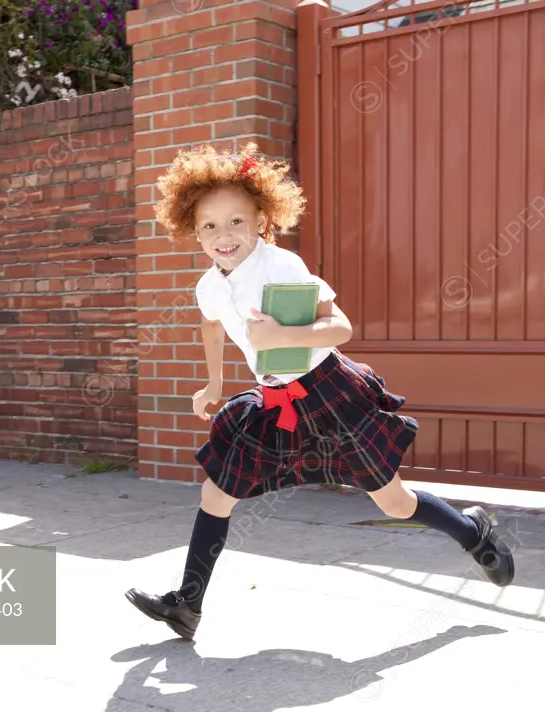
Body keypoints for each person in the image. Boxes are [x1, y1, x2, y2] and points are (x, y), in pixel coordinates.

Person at [125, 143, 515, 641]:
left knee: (393, 502)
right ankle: (187, 605)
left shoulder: (281, 267)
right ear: (192, 228)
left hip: (329, 393)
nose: (224, 236)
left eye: (236, 222)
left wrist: (283, 336)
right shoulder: (209, 284)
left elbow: (340, 327)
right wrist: (215, 384)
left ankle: (472, 532)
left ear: (261, 219)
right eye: (209, 226)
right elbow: (211, 325)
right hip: (272, 400)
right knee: (216, 492)